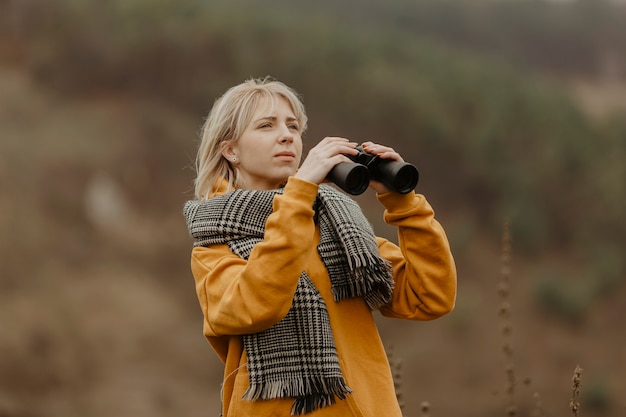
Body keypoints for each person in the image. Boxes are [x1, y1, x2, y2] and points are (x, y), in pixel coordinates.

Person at [183, 77, 457, 417]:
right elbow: (254, 305)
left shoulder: (338, 228)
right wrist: (299, 195)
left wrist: (403, 203)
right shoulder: (214, 247)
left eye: (293, 126)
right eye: (266, 126)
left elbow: (429, 296)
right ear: (230, 150)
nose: (286, 135)